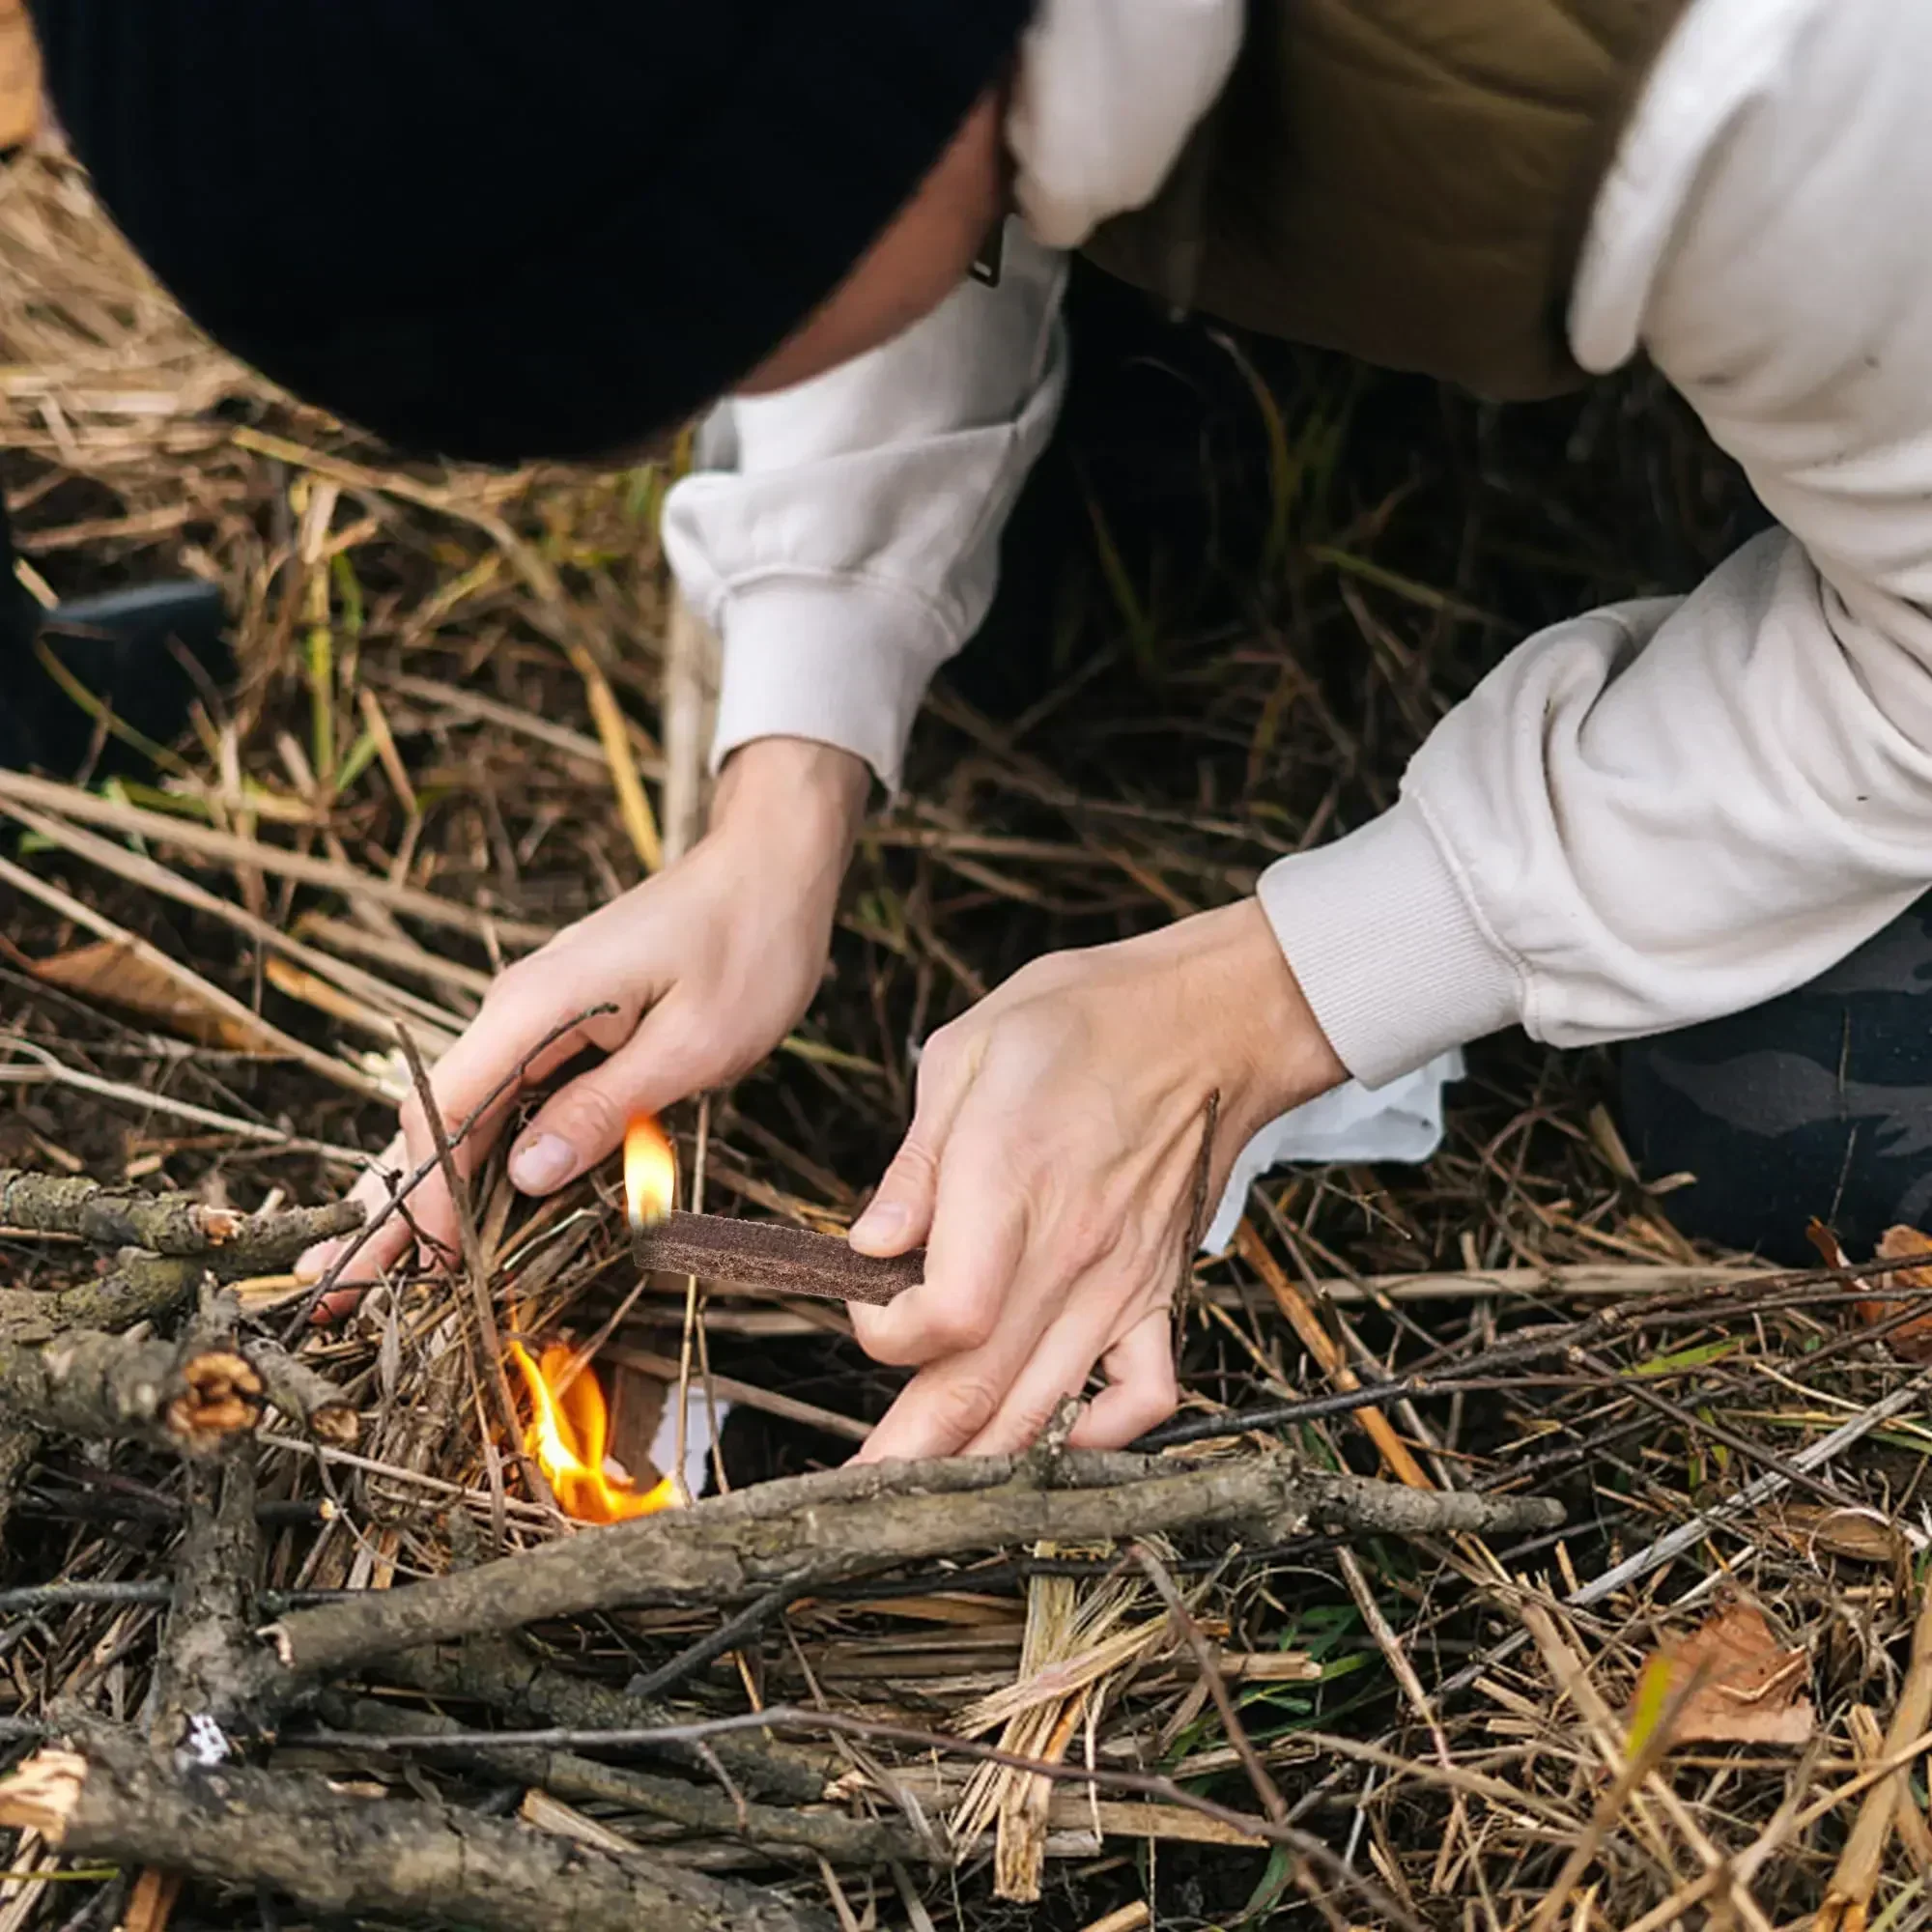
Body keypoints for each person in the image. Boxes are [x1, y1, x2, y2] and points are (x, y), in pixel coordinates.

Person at [30, 0, 1932, 1461]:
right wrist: (786, 781)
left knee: (1782, 1106)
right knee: (1049, 582)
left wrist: (1265, 999)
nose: (712, 395)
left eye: (708, 335)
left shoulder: (1784, 76)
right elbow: (849, 149)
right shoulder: (849, 85)